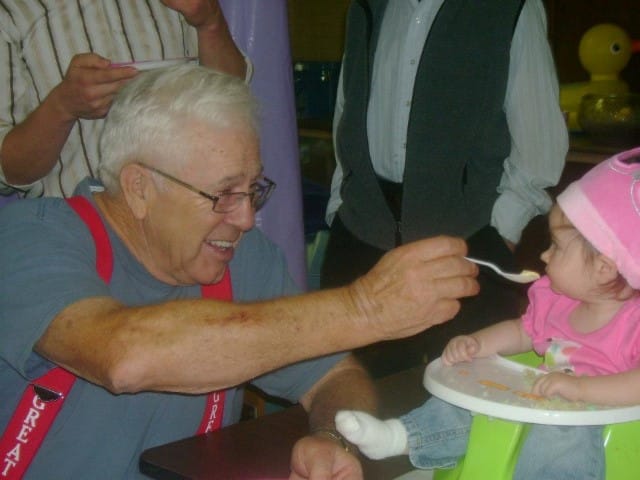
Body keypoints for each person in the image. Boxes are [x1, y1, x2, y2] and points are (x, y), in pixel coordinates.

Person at [0, 65, 480, 479]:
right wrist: (367, 307)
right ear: (139, 188)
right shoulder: (28, 238)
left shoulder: (246, 259)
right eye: (223, 194)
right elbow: (123, 356)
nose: (247, 218)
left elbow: (335, 374)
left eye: (253, 190)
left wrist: (334, 437)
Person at [335, 147, 640, 480]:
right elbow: (522, 331)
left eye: (557, 246)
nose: (544, 254)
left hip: (595, 423)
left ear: (604, 268)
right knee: (473, 393)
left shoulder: (633, 324)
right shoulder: (557, 299)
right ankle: (403, 436)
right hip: (542, 398)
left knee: (560, 435)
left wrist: (582, 391)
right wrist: (476, 344)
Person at [321, 0, 569, 375]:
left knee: (466, 390)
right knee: (351, 393)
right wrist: (341, 199)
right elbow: (348, 107)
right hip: (362, 232)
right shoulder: (365, 6)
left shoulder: (510, 7)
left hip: (468, 238)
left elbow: (540, 144)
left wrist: (501, 231)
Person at [0, 0, 248, 199]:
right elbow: (10, 169)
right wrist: (62, 107)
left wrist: (211, 22)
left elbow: (231, 99)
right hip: (78, 230)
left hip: (189, 215)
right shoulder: (11, 11)